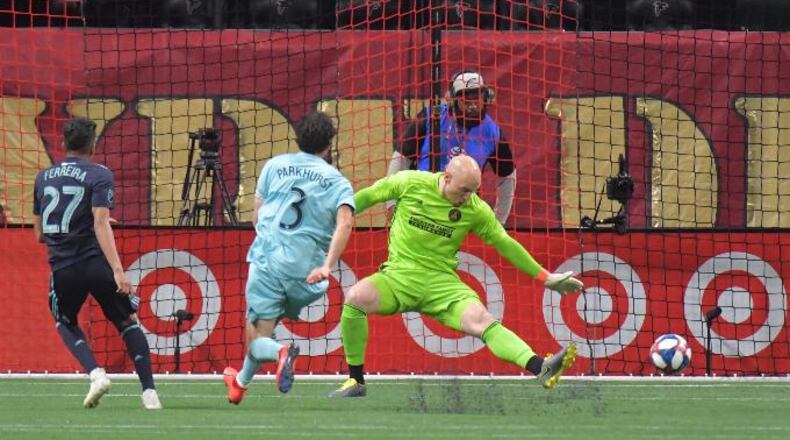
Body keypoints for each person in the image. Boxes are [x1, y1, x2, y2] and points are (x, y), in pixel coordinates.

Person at [330, 155, 584, 398]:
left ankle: (541, 367)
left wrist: (546, 278)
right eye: (464, 190)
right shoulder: (410, 182)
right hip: (398, 278)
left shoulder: (475, 209)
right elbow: (369, 195)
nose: (467, 197)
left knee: (482, 321)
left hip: (442, 286)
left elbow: (505, 243)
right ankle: (356, 380)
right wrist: (334, 218)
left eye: (473, 191)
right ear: (447, 177)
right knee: (355, 298)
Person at [223, 111, 355, 404]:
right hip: (308, 276)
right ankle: (239, 384)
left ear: (297, 138)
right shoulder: (338, 182)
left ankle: (281, 353)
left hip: (268, 264)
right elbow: (345, 223)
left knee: (257, 340)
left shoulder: (274, 166)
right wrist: (327, 266)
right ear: (329, 145)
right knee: (261, 335)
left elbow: (257, 217)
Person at [32, 117, 161, 409]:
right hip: (95, 264)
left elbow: (40, 234)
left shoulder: (43, 177)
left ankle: (95, 373)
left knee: (65, 321)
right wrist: (118, 270)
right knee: (126, 322)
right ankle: (149, 393)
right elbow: (100, 222)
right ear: (93, 146)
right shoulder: (100, 174)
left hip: (63, 268)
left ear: (63, 143)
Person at [388, 70, 516, 224]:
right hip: (421, 203)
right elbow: (401, 158)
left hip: (460, 212)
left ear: (486, 97)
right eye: (466, 97)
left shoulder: (492, 132)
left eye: (477, 96)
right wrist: (392, 203)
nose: (473, 104)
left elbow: (507, 176)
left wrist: (499, 220)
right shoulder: (431, 117)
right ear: (453, 99)